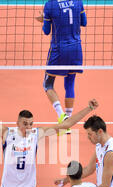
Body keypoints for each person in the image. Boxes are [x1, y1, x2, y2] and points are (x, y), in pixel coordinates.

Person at [36, 0, 87, 134]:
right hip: (76, 48)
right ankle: (67, 123)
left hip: (58, 50)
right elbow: (84, 22)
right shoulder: (78, 2)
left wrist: (44, 19)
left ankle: (61, 116)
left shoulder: (50, 5)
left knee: (47, 84)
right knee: (70, 84)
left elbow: (46, 31)